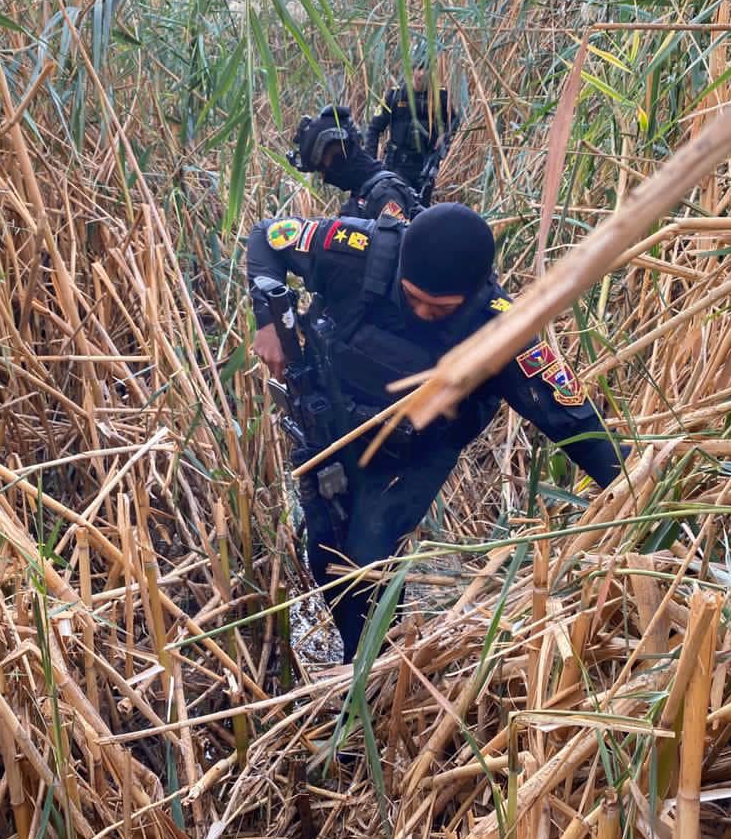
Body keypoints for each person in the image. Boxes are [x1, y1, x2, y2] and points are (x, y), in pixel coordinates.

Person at [248, 202, 624, 663]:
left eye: (441, 307)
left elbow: (575, 420)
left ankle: (369, 675)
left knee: (367, 561)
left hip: (413, 454)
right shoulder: (356, 250)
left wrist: (636, 489)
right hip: (332, 426)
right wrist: (264, 318)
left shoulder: (502, 327)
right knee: (326, 553)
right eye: (413, 298)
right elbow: (268, 236)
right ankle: (361, 658)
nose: (423, 313)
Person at [287, 105, 421, 222]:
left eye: (323, 168)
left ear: (340, 156)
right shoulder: (361, 196)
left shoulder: (384, 194)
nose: (324, 178)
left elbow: (399, 247)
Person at [365, 55, 459, 206]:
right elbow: (374, 129)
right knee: (396, 209)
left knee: (421, 212)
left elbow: (454, 123)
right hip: (397, 165)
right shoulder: (394, 95)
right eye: (419, 68)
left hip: (425, 167)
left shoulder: (441, 97)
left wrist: (444, 137)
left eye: (426, 69)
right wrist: (371, 163)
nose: (422, 74)